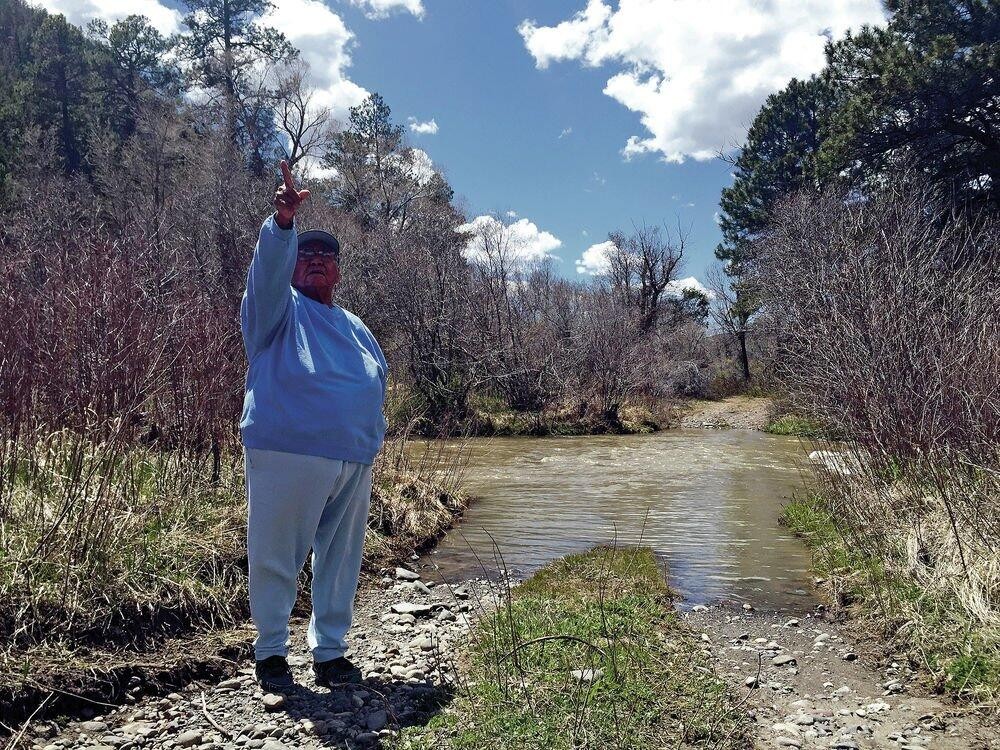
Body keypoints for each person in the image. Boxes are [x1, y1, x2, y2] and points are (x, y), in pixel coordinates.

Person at [239, 159, 388, 691]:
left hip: (353, 459)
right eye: (307, 255)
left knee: (341, 562)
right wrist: (282, 229)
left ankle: (329, 652)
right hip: (287, 450)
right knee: (277, 553)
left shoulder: (356, 326)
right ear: (293, 266)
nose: (316, 262)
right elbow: (268, 275)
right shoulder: (274, 311)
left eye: (326, 256)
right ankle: (271, 652)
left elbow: (377, 380)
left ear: (340, 271)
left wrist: (372, 438)